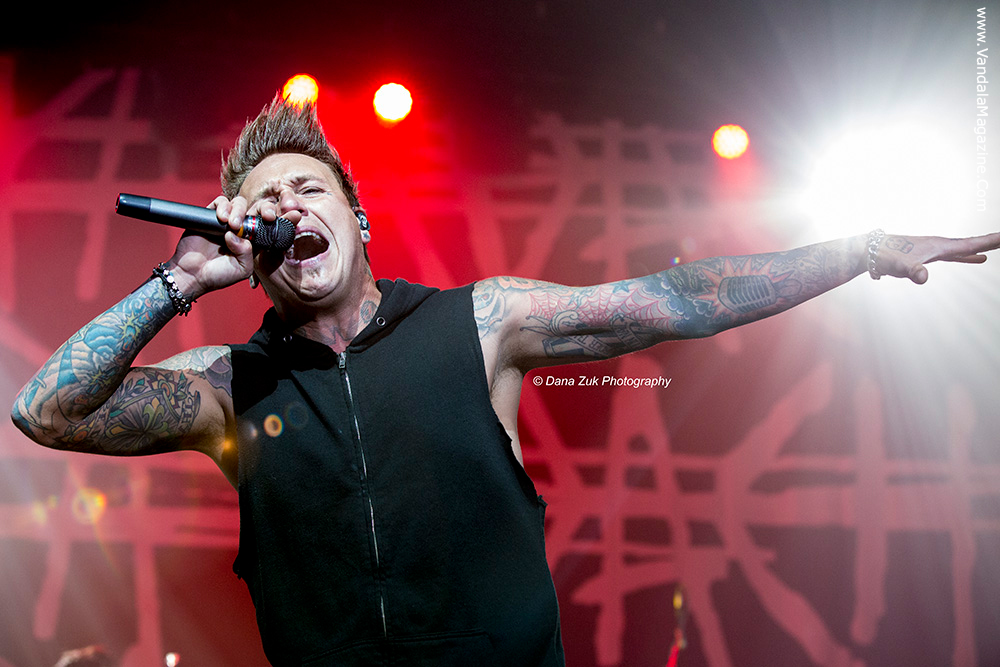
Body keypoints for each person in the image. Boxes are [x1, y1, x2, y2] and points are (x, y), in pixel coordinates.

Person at [10, 95, 1000, 666]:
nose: (288, 208)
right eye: (265, 202)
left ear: (357, 221)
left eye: (309, 189)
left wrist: (862, 249)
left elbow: (675, 299)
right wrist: (179, 281)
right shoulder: (232, 384)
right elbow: (45, 411)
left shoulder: (479, 322)